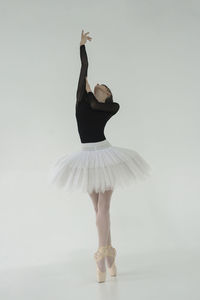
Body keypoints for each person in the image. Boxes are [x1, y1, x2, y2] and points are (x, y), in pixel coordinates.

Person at [48, 30, 152, 283]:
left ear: (108, 95)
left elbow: (102, 105)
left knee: (103, 208)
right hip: (86, 158)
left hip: (106, 156)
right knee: (98, 209)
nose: (98, 85)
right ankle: (109, 256)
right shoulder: (82, 100)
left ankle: (101, 257)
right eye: (97, 84)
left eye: (104, 87)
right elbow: (84, 68)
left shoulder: (110, 108)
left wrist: (97, 94)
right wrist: (81, 46)